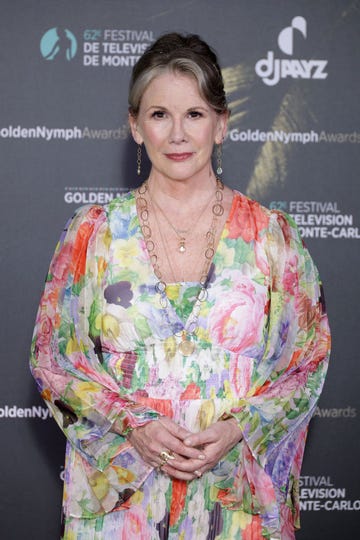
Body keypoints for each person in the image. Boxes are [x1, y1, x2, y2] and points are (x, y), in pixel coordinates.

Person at [30, 33, 330, 540]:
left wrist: (239, 429)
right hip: (120, 506)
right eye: (159, 114)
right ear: (134, 126)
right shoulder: (94, 234)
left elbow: (307, 360)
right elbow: (52, 358)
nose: (177, 134)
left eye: (194, 114)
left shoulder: (270, 237)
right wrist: (134, 426)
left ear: (221, 124)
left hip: (235, 500)